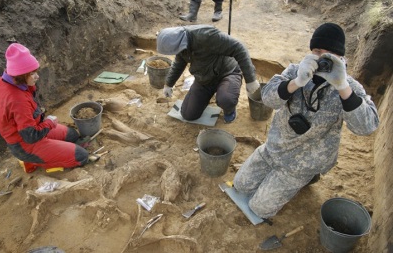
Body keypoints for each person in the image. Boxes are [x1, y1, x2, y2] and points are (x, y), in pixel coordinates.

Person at [233, 22, 379, 219]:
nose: (321, 59)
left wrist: (342, 86)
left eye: (329, 55)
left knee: (259, 208)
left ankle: (308, 177)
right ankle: (285, 177)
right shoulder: (296, 71)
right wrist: (296, 83)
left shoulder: (349, 86)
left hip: (302, 163)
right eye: (317, 51)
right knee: (240, 185)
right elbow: (267, 98)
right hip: (274, 149)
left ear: (341, 57)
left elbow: (366, 127)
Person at [0, 43, 89, 173]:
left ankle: (55, 150)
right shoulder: (17, 100)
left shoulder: (0, 82)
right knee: (82, 156)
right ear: (20, 76)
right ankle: (34, 160)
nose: (37, 76)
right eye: (32, 74)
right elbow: (31, 136)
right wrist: (49, 123)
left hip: (30, 128)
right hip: (26, 144)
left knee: (72, 135)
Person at [156, 24, 260, 123]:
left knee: (226, 99)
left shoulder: (206, 36)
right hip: (204, 77)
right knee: (188, 114)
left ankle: (229, 110)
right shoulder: (180, 44)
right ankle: (209, 95)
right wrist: (168, 84)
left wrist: (251, 79)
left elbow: (239, 47)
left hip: (227, 72)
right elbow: (179, 63)